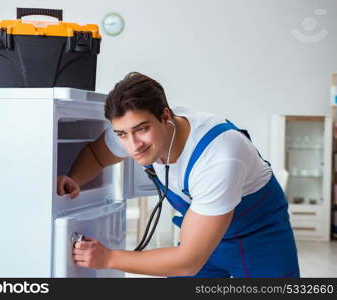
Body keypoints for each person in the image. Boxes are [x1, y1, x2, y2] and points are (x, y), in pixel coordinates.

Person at [57, 72, 300, 278]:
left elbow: (188, 261)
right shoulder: (131, 129)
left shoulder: (220, 157)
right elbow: (97, 155)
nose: (133, 145)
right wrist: (75, 178)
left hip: (258, 238)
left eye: (141, 130)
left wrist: (109, 258)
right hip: (200, 229)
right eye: (121, 134)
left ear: (165, 116)